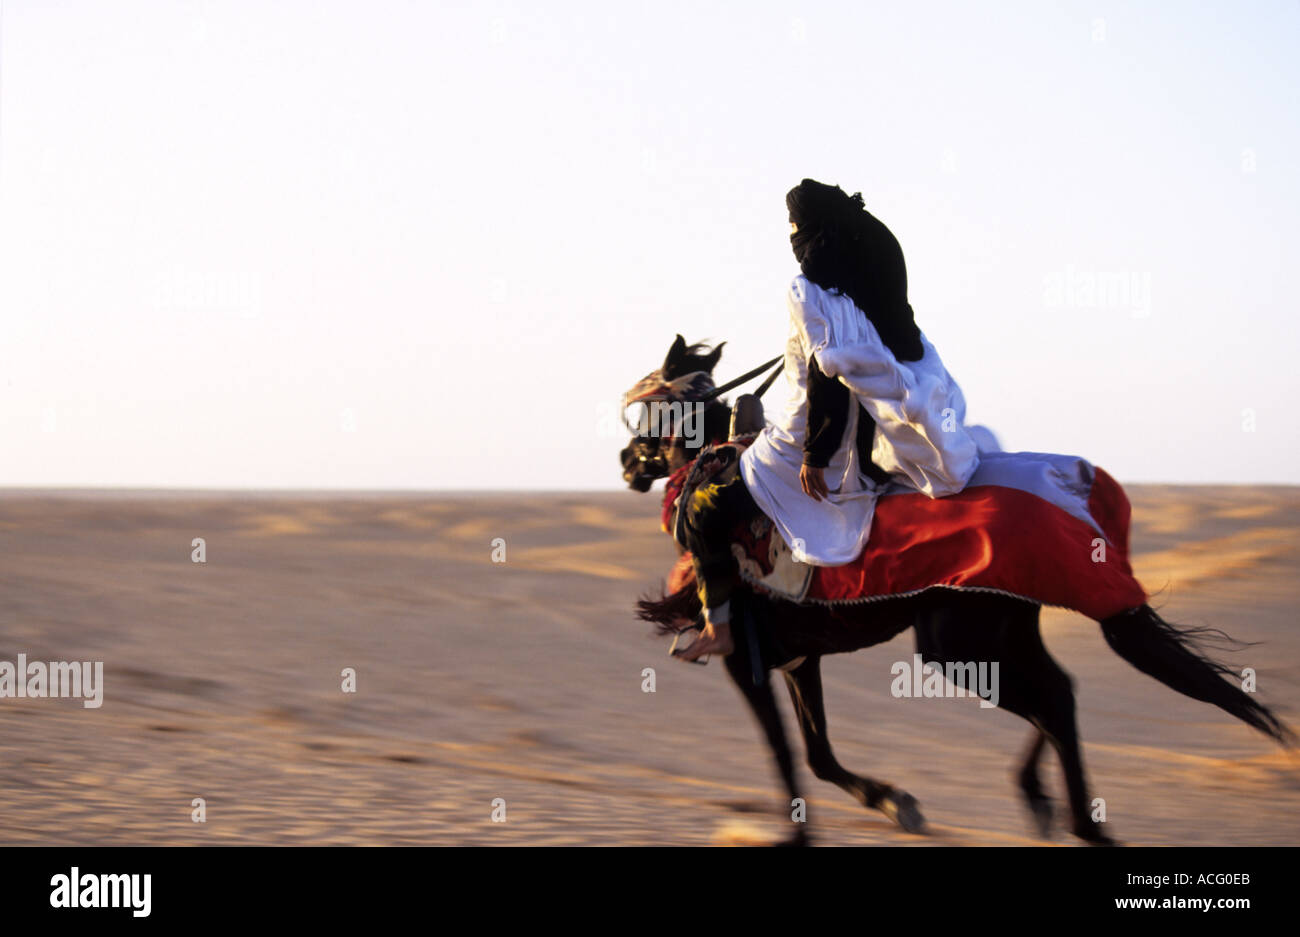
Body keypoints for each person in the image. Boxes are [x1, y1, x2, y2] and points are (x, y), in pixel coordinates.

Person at [673, 179, 981, 662]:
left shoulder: (811, 291)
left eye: (796, 230)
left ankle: (720, 629)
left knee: (702, 510)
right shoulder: (869, 265)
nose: (794, 242)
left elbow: (827, 380)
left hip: (811, 442)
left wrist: (815, 456)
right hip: (883, 422)